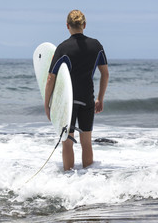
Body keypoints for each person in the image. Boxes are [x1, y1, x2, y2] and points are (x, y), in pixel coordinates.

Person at [44, 9, 109, 171]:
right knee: (87, 142)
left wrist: (47, 104)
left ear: (67, 26)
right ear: (84, 25)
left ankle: (68, 180)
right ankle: (88, 179)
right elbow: (105, 74)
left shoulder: (62, 48)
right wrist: (100, 98)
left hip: (68, 102)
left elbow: (50, 78)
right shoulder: (96, 45)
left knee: (67, 142)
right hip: (87, 98)